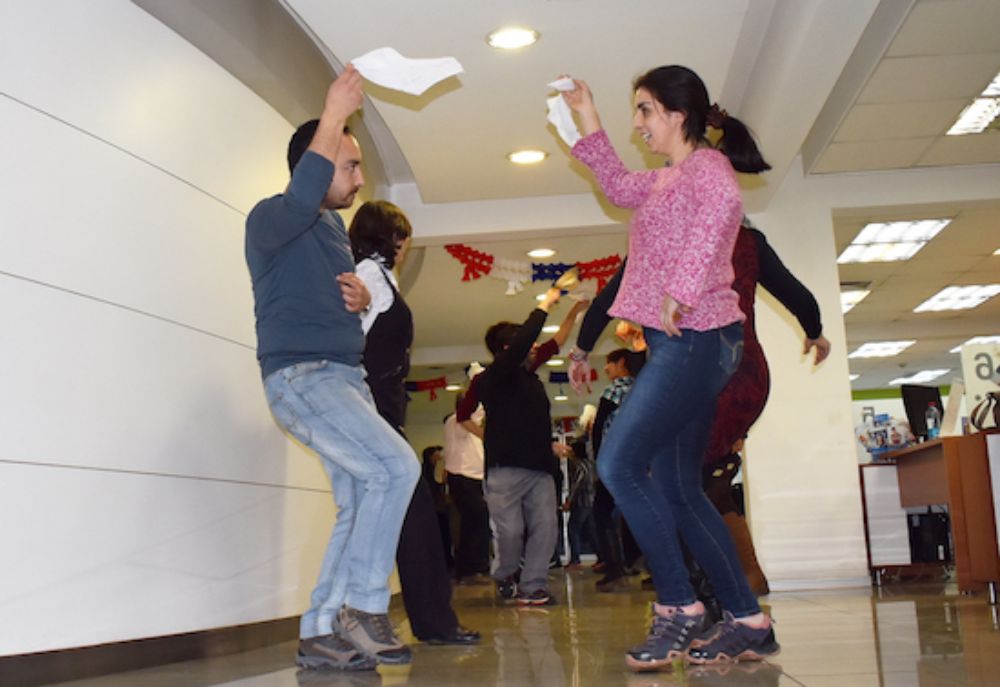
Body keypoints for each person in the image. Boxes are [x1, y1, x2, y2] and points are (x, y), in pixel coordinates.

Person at [560, 65, 779, 669]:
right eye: (635, 112)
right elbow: (617, 187)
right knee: (680, 488)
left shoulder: (707, 168)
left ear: (678, 114)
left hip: (698, 338)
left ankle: (679, 608)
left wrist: (681, 288)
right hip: (690, 342)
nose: (639, 124)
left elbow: (724, 208)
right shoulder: (667, 178)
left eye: (646, 111)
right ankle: (748, 619)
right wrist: (588, 119)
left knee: (619, 463)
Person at [244, 66, 419, 671]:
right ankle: (364, 606)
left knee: (359, 494)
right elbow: (300, 197)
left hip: (342, 379)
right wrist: (334, 111)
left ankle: (322, 629)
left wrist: (360, 301)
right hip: (305, 375)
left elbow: (317, 294)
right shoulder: (271, 217)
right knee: (397, 467)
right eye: (350, 165)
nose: (361, 179)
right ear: (314, 163)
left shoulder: (331, 230)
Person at [349, 199, 480, 647]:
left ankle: (430, 621)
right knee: (415, 521)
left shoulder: (380, 276)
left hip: (381, 418)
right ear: (387, 238)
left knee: (403, 520)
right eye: (399, 234)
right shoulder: (370, 275)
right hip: (378, 418)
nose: (405, 244)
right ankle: (432, 622)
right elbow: (354, 338)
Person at [473, 288, 566, 606]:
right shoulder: (491, 378)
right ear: (508, 348)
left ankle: (533, 585)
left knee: (545, 527)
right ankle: (505, 575)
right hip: (505, 469)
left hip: (540, 467)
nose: (535, 348)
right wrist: (543, 307)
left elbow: (529, 422)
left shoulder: (533, 382)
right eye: (527, 343)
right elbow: (525, 344)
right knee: (510, 532)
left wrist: (550, 447)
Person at [589, 348, 644, 592]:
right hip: (638, 461)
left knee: (601, 514)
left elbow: (599, 427)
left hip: (614, 461)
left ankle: (615, 570)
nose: (605, 369)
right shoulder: (642, 389)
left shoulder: (614, 390)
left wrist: (599, 461)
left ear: (621, 362)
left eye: (609, 364)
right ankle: (647, 566)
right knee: (641, 512)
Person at [442, 391, 492, 585]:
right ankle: (472, 569)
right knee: (476, 521)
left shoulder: (462, 424)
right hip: (463, 477)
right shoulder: (457, 421)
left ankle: (471, 568)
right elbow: (470, 421)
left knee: (474, 522)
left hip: (471, 478)